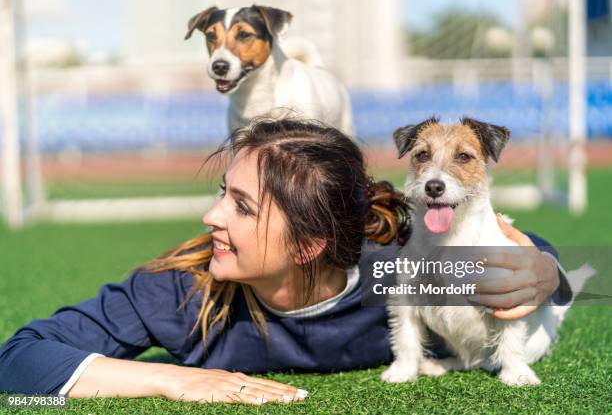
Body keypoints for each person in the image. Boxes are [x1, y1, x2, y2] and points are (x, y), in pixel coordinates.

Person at [0, 118, 571, 405]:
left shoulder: (397, 270)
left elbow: (544, 263)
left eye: (241, 206)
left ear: (309, 245)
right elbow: (17, 363)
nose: (210, 216)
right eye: (224, 191)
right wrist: (170, 379)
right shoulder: (183, 294)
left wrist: (543, 273)